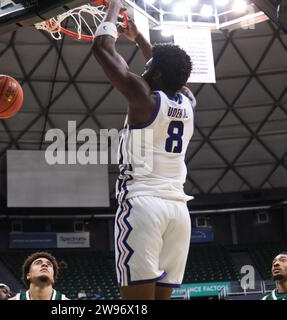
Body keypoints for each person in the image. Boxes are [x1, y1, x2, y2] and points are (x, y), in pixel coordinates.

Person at [92, 0, 195, 300]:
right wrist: (139, 39)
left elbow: (101, 48)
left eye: (148, 68)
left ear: (158, 75)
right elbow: (167, 71)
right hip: (178, 212)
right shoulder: (188, 102)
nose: (144, 69)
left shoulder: (143, 98)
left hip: (143, 206)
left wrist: (113, 6)